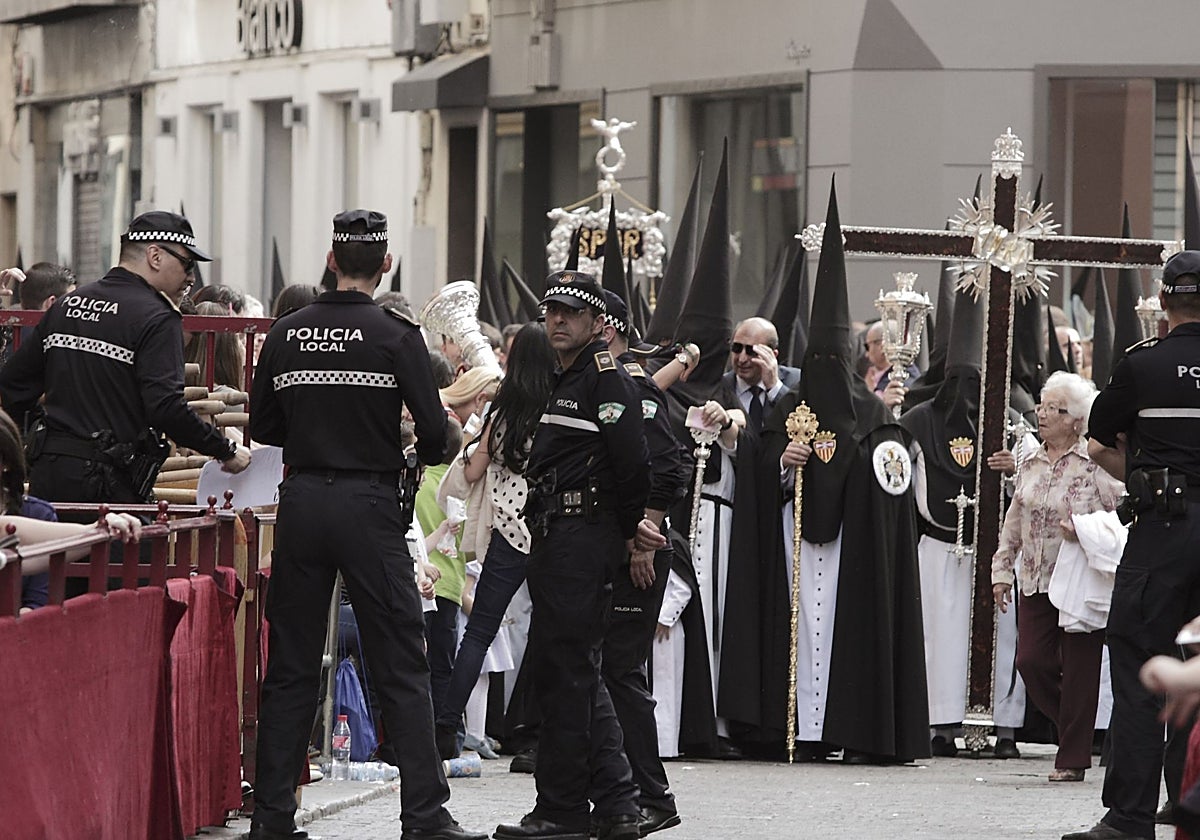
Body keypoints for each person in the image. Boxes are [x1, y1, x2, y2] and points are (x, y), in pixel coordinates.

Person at [248, 209, 485, 840]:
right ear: (386, 264)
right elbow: (434, 436)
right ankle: (425, 816)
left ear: (331, 260)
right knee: (401, 661)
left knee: (292, 662)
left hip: (303, 501)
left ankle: (271, 818)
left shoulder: (288, 331)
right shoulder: (396, 335)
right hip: (371, 504)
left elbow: (264, 426)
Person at [493, 270, 663, 840]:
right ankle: (616, 805)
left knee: (569, 675)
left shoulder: (604, 377)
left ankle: (564, 808)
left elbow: (634, 462)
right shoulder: (566, 376)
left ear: (597, 323)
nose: (558, 320)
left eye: (571, 312)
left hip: (581, 535)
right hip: (559, 533)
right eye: (552, 311)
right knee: (573, 674)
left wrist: (627, 532)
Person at [1065, 250, 1200, 840]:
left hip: (1162, 533)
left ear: (1164, 302)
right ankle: (1190, 802)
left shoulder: (1142, 364)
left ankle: (1130, 818)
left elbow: (1098, 441)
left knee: (1141, 668)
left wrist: (1147, 472)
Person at [0, 210, 250, 510]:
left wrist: (44, 435)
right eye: (187, 263)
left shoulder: (67, 305)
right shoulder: (158, 318)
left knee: (52, 541)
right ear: (155, 256)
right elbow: (166, 408)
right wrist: (225, 450)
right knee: (126, 545)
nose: (191, 277)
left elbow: (14, 384)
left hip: (50, 476)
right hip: (110, 489)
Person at [991, 371, 1123, 782]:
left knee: (1081, 670)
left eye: (1056, 409)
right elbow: (1015, 517)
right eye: (1043, 406)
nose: (1044, 415)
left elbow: (1121, 513)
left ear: (1077, 420)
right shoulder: (1029, 460)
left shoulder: (1095, 463)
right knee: (1031, 661)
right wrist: (1001, 569)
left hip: (1079, 579)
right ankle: (1074, 726)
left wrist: (1084, 529)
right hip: (1034, 576)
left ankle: (1072, 758)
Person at [434, 323, 556, 759]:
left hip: (506, 534)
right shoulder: (559, 409)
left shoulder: (502, 415)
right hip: (551, 534)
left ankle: (447, 726)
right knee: (557, 634)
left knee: (479, 633)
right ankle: (548, 733)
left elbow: (471, 471)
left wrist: (474, 438)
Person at [599, 290, 688, 836]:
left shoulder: (635, 387)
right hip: (606, 548)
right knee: (604, 673)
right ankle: (616, 793)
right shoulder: (601, 382)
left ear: (606, 328)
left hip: (640, 551)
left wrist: (643, 542)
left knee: (620, 672)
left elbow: (669, 467)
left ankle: (653, 795)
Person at [862, 320, 917, 411]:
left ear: (882, 346)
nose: (866, 354)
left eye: (867, 346)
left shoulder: (897, 383)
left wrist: (868, 392)